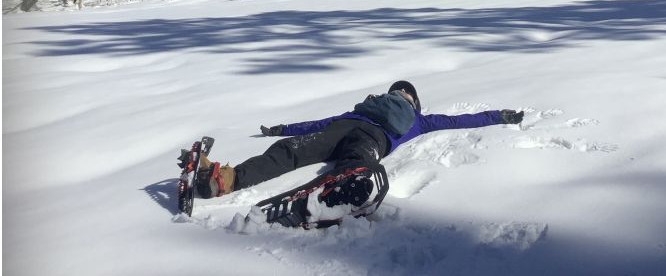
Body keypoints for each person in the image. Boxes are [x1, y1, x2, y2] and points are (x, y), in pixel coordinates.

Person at [196, 80, 524, 200]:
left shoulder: (363, 107)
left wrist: (282, 131)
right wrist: (500, 116)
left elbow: (318, 124)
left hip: (341, 128)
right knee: (358, 161)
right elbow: (459, 121)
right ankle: (344, 190)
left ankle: (228, 179)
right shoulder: (420, 121)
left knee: (290, 151)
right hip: (372, 137)